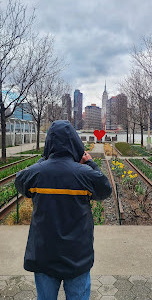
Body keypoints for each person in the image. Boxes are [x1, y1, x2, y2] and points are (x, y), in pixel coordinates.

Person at [15, 120, 112, 300]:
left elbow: (20, 182)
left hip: (43, 254)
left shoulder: (36, 173)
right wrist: (91, 163)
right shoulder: (85, 174)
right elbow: (105, 189)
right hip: (77, 255)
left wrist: (44, 159)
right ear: (75, 143)